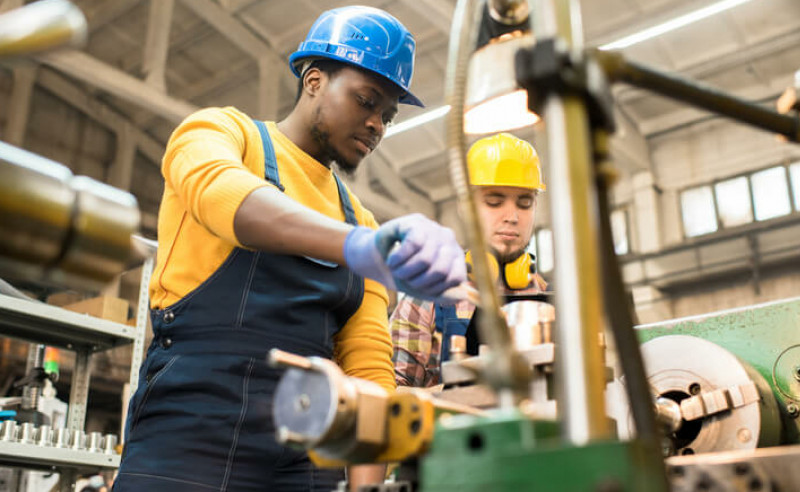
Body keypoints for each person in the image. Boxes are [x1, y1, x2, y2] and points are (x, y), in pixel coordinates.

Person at [114, 6, 465, 492]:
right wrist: (356, 246)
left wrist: (366, 488)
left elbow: (368, 370)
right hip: (191, 437)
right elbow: (224, 195)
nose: (377, 125)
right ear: (314, 80)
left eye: (387, 115)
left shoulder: (361, 218)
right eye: (366, 101)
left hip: (308, 453)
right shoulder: (223, 134)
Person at [390, 133, 548, 388]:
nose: (512, 216)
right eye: (494, 202)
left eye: (525, 203)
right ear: (465, 208)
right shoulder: (424, 299)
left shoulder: (550, 302)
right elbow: (393, 397)